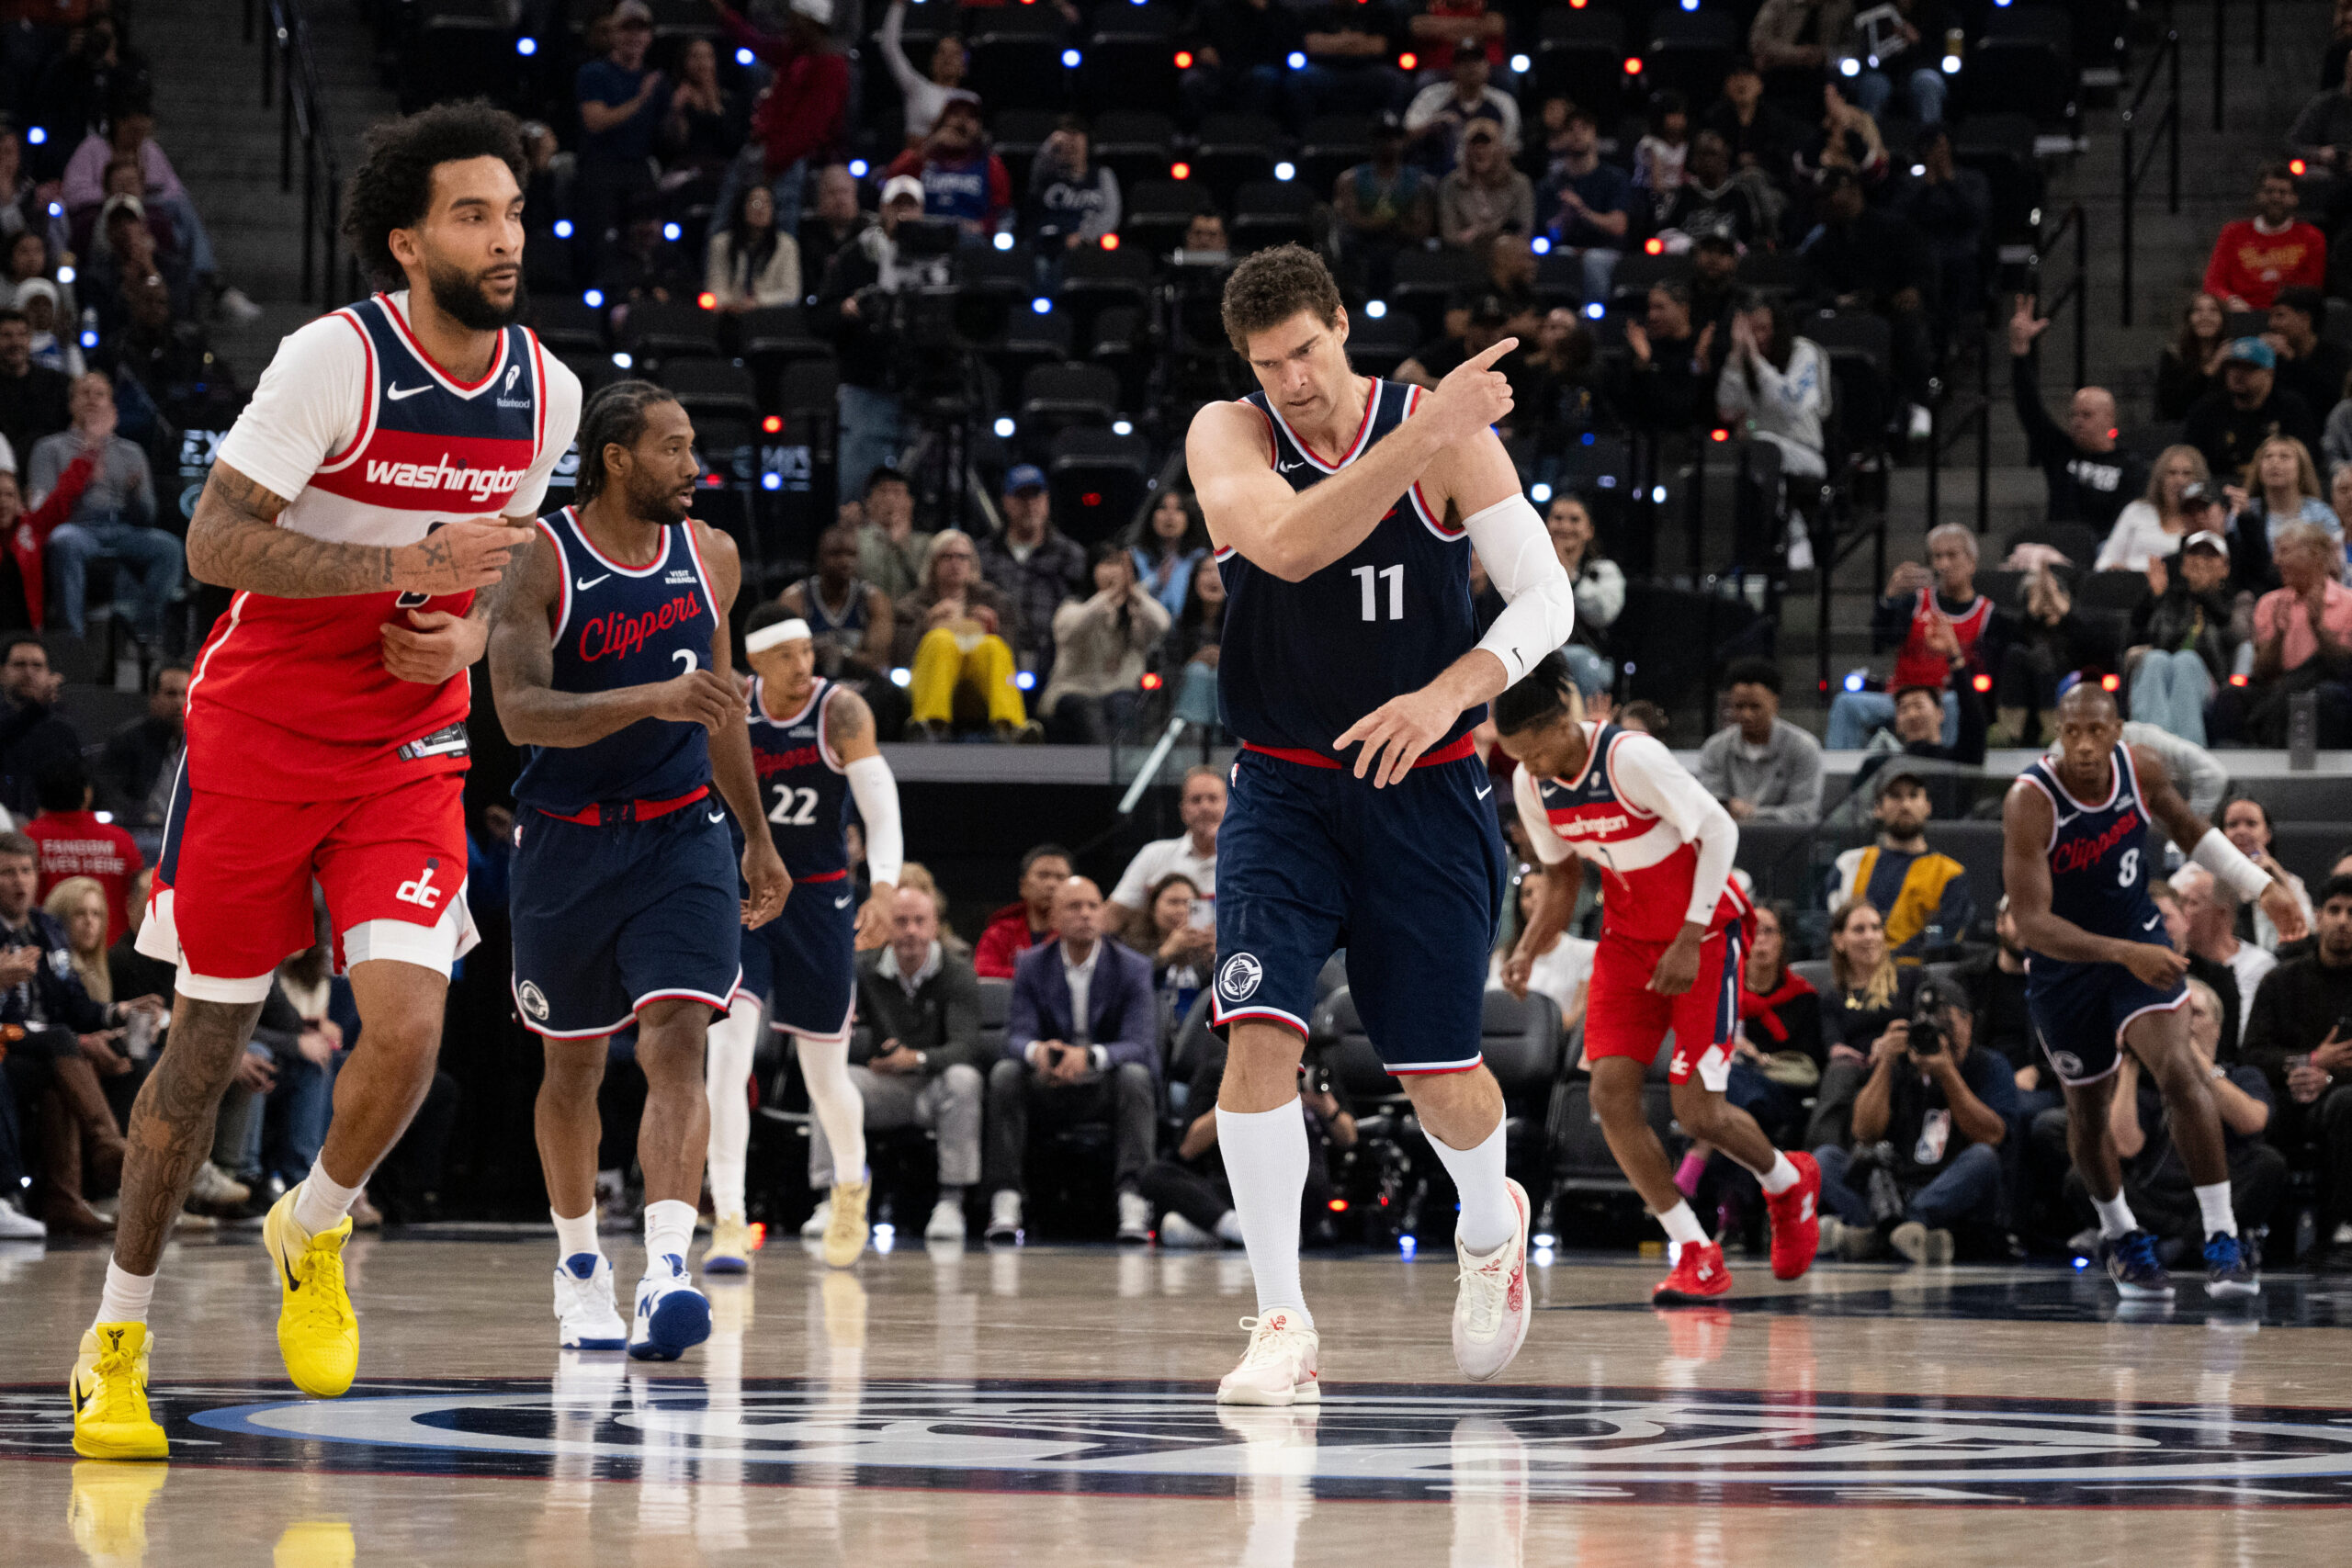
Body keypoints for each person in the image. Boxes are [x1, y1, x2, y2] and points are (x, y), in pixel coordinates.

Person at [69, 102, 584, 1462]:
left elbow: (504, 571)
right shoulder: (333, 361)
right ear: (408, 242)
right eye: (473, 214)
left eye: (515, 211)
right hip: (259, 735)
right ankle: (116, 1333)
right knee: (200, 1045)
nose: (505, 236)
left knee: (410, 1028)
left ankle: (318, 1217)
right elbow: (212, 539)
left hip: (411, 744)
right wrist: (388, 570)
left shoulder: (549, 390)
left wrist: (465, 628)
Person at [1184, 243, 1577, 1401]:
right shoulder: (1231, 433)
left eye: (1306, 352)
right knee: (1257, 1033)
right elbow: (1293, 543)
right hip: (1283, 785)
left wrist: (1456, 687)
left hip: (1429, 785)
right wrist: (1431, 429)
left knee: (1435, 1068)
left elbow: (1543, 596)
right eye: (1269, 364)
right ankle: (1281, 1325)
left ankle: (1486, 1221)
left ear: (1341, 325)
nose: (1292, 380)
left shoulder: (1444, 435)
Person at [488, 382, 783, 1360]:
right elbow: (520, 712)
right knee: (569, 1066)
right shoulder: (538, 555)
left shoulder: (712, 556)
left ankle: (666, 1269)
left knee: (677, 1040)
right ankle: (579, 1271)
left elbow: (722, 707)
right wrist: (650, 696)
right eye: (673, 446)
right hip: (566, 837)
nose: (692, 464)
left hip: (679, 832)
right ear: (616, 458)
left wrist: (757, 834)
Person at [1498, 651, 1821, 1302]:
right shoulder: (1534, 787)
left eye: (1532, 751)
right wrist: (1530, 945)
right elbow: (1562, 876)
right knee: (1609, 1095)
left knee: (1696, 1108)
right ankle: (1695, 1249)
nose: (1526, 769)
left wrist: (1691, 935)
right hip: (1625, 941)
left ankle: (1788, 1181)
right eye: (1515, 757)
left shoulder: (1630, 758)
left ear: (1565, 719)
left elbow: (1721, 830)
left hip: (1703, 935)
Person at [2001, 681, 2307, 1301]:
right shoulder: (2030, 799)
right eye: (2073, 732)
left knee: (2178, 1071)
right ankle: (2122, 1236)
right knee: (2086, 1112)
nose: (2085, 746)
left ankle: (2223, 1237)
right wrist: (2122, 952)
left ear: (2119, 733)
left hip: (2136, 939)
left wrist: (2259, 886)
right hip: (2066, 961)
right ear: (2058, 734)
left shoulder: (2140, 769)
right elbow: (2032, 923)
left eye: (2097, 732)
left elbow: (2194, 829)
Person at [715, 604, 904, 1271]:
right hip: (748, 903)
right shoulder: (731, 702)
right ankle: (730, 1216)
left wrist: (883, 887)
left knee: (824, 1074)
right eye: (788, 655)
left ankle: (851, 1187)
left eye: (807, 651)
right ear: (756, 662)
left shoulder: (840, 710)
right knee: (727, 1061)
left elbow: (882, 810)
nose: (804, 665)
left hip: (820, 900)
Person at [804, 884, 985, 1245]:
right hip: (880, 1083)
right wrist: (880, 1054)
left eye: (920, 921)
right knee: (829, 1083)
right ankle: (831, 1199)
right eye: (901, 921)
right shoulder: (861, 969)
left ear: (935, 926)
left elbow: (966, 1048)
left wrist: (915, 1058)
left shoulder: (957, 971)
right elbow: (838, 1040)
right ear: (887, 926)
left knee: (965, 1079)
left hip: (934, 1086)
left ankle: (951, 1202)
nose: (911, 931)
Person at [987, 875, 1159, 1244]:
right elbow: (1016, 1037)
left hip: (1104, 1082)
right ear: (1054, 919)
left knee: (1136, 1075)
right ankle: (1006, 1199)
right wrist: (1042, 1055)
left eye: (1093, 906)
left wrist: (1090, 1057)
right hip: (1048, 1083)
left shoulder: (1132, 967)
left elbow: (1140, 1043)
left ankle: (1133, 1197)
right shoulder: (1032, 964)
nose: (1085, 914)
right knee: (1005, 1074)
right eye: (1074, 906)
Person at [1814, 978, 2014, 1265]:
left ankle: (1878, 1236)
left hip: (1949, 1190)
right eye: (1927, 1028)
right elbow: (1864, 1132)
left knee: (1983, 1159)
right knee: (1825, 1160)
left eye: (1947, 1026)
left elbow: (1992, 1135)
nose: (1936, 1038)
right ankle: (1905, 1236)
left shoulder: (1990, 1066)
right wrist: (1884, 1064)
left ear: (1969, 1023)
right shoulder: (1902, 1065)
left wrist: (1947, 1073)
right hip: (1895, 1185)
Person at [2095, 976, 2286, 1260]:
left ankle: (2173, 1244)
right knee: (2084, 1176)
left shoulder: (2241, 1075)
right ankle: (2193, 1242)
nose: (2181, 1023)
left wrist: (2195, 1058)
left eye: (2193, 1013)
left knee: (2268, 1164)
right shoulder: (2146, 1083)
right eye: (2172, 1016)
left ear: (2217, 1028)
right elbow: (2124, 1147)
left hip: (2223, 1190)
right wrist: (2130, 1066)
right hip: (2158, 1196)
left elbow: (2252, 1122)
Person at [2237, 874, 2352, 1260]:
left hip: (2342, 1095)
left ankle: (2340, 1228)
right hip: (2286, 1093)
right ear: (2318, 916)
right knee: (2257, 1112)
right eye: (2334, 911)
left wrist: (2331, 1074)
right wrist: (2311, 1062)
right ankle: (2257, 1232)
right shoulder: (2281, 980)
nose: (2343, 921)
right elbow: (2252, 1054)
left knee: (2346, 1105)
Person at [31, 370, 176, 646]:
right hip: (76, 526)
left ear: (112, 406)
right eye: (84, 393)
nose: (92, 400)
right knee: (65, 542)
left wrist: (135, 496)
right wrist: (86, 459)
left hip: (121, 527)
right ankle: (72, 640)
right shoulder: (49, 448)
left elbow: (148, 517)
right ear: (71, 404)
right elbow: (43, 515)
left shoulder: (131, 452)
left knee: (168, 548)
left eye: (100, 394)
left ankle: (143, 631)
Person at [1826, 525, 1994, 749]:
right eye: (1937, 556)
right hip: (1899, 697)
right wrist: (1889, 601)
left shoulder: (1988, 614)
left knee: (1957, 705)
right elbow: (1884, 640)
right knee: (1845, 703)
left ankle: (1948, 775)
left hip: (1945, 698)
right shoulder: (1913, 603)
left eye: (1951, 555)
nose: (1943, 564)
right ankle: (1843, 778)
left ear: (1972, 562)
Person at [711, 0, 849, 244]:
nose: (788, 25)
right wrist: (726, 15)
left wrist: (772, 164)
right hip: (759, 150)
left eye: (795, 20)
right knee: (723, 228)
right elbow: (760, 45)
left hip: (783, 164)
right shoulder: (795, 54)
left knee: (779, 237)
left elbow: (809, 129)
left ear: (810, 24)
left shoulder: (830, 66)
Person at [2007, 295, 2147, 536]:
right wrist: (2020, 353)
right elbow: (2030, 410)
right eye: (2074, 415)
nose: (2077, 421)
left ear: (2109, 420)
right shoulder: (2060, 453)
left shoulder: (2131, 467)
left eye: (2087, 415)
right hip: (2059, 548)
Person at [897, 526, 1033, 741]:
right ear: (933, 564)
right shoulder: (911, 606)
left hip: (977, 692)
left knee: (993, 646)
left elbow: (1012, 658)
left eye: (962, 557)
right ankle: (930, 726)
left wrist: (993, 630)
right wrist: (926, 625)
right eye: (947, 556)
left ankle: (1010, 728)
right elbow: (900, 659)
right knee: (940, 639)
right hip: (927, 687)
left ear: (973, 564)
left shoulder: (996, 602)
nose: (955, 563)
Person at [1831, 767, 1976, 964]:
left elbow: (1948, 939)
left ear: (1928, 806)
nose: (1905, 804)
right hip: (1852, 974)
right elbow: (1821, 925)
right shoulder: (1849, 863)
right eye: (1895, 796)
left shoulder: (1950, 874)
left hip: (1914, 978)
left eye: (1913, 795)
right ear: (1878, 808)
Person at [571, 0, 667, 279]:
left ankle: (648, 288)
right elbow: (596, 121)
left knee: (653, 224)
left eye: (641, 30)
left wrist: (678, 111)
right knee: (604, 234)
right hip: (601, 165)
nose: (634, 36)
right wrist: (641, 99)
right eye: (627, 29)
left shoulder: (654, 80)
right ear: (614, 34)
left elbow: (671, 135)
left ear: (649, 37)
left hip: (638, 166)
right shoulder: (593, 73)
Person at [1039, 543, 1169, 743]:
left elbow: (1163, 624)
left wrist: (1134, 592)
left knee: (1123, 704)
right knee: (1087, 708)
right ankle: (1104, 768)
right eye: (1107, 563)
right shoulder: (1073, 606)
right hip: (1073, 689)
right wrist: (1109, 595)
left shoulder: (1135, 613)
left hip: (1120, 689)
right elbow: (1071, 628)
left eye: (1119, 564)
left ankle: (1120, 767)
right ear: (1092, 569)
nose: (1114, 571)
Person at [2243, 521, 2352, 747]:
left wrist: (2319, 629)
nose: (2276, 561)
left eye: (2284, 551)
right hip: (2276, 689)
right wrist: (2279, 635)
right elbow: (2261, 671)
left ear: (2313, 554)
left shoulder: (2348, 603)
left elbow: (2343, 667)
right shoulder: (2270, 603)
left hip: (2328, 690)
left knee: (2321, 695)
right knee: (2231, 697)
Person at [2128, 531, 2239, 747]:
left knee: (2186, 661)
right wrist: (2157, 600)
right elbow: (2149, 640)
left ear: (2225, 567)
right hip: (2165, 675)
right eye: (2194, 555)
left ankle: (2188, 752)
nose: (2200, 562)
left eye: (2209, 557)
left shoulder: (2235, 600)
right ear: (2183, 565)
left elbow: (2232, 637)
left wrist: (2204, 594)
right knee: (2155, 660)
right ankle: (2149, 750)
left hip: (2212, 683)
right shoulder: (2171, 599)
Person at [978, 465, 1087, 685]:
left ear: (1046, 500)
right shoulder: (983, 554)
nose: (1030, 505)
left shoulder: (1070, 555)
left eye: (1036, 496)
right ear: (1006, 503)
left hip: (1055, 663)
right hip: (995, 659)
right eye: (1021, 497)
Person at [1716, 296, 1832, 489]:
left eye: (1763, 329)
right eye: (1751, 331)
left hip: (1804, 453)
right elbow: (1727, 411)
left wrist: (1755, 360)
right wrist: (1736, 357)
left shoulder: (1804, 352)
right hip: (1756, 455)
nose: (1758, 338)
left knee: (1764, 447)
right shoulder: (1742, 362)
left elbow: (1788, 406)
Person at [25, 754, 141, 945]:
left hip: (49, 954)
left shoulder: (29, 839)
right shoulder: (121, 840)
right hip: (112, 957)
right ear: (87, 793)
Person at [1695, 658, 1826, 824]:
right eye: (1739, 706)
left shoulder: (1803, 747)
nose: (1746, 715)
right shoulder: (1715, 748)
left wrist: (1750, 813)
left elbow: (1805, 812)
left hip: (1788, 843)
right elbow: (1709, 805)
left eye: (1755, 707)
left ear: (1775, 703)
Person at [1107, 765, 1226, 942]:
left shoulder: (1248, 861)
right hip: (1160, 962)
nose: (1205, 807)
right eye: (1196, 800)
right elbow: (1112, 917)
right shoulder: (1153, 855)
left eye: (1213, 799)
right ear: (1183, 810)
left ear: (1229, 806)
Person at [2183, 337, 2322, 487]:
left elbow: (2308, 460)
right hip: (2219, 492)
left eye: (2249, 368)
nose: (2238, 374)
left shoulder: (2291, 408)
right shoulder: (2206, 410)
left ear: (2269, 373)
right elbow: (2191, 461)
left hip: (2276, 491)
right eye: (2233, 366)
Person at [0, 428, 100, 634]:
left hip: (26, 633)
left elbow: (61, 497)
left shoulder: (32, 526)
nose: (3, 501)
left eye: (9, 495)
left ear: (19, 499)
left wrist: (87, 458)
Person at [781, 521, 898, 695]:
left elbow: (878, 663)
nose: (845, 561)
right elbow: (785, 659)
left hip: (861, 690)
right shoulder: (795, 598)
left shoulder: (873, 599)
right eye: (836, 554)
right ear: (820, 558)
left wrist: (839, 654)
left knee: (889, 692)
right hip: (809, 688)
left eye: (851, 554)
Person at [2171, 863, 2276, 1049]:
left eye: (2191, 903)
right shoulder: (2172, 964)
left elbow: (2246, 1038)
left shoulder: (2260, 966)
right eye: (2178, 904)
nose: (2181, 913)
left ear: (2222, 912)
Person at [1332, 114, 1433, 297]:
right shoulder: (1350, 180)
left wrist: (1378, 221)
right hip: (1361, 249)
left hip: (1402, 251)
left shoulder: (1420, 182)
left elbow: (1421, 229)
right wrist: (1395, 220)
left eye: (1393, 137)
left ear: (1403, 141)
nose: (1388, 143)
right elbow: (1352, 220)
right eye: (1382, 138)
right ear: (1372, 141)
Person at [1536, 108, 1631, 301]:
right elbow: (1551, 233)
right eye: (1571, 129)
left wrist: (1582, 211)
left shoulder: (1614, 178)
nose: (1578, 133)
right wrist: (1565, 214)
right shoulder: (1550, 183)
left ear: (1594, 133)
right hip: (1567, 250)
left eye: (1584, 128)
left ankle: (1595, 319)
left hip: (1605, 252)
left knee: (1593, 260)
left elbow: (1618, 226)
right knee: (1561, 255)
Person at [2204, 164, 2326, 312]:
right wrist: (2230, 300)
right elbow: (2213, 283)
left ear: (2295, 198)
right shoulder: (2233, 233)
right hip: (2242, 314)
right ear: (2258, 195)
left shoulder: (2312, 237)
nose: (2275, 198)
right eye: (2269, 191)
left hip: (2290, 317)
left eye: (2283, 192)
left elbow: (2311, 288)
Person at [2225, 434, 2341, 592]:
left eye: (2284, 457)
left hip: (2312, 589)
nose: (2275, 462)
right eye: (2268, 457)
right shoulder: (2243, 512)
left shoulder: (2320, 513)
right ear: (2259, 468)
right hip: (2258, 592)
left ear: (2301, 468)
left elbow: (2333, 561)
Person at [1491, 868, 1594, 1043]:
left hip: (1554, 1053)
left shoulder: (1588, 953)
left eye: (1544, 891)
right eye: (1527, 893)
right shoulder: (1502, 957)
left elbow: (1580, 1019)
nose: (1535, 899)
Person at [886, 99, 1012, 241]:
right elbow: (892, 181)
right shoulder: (924, 158)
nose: (962, 122)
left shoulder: (991, 164)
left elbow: (1002, 211)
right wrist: (930, 145)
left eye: (971, 117)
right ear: (943, 122)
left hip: (968, 239)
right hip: (923, 232)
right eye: (956, 115)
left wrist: (985, 227)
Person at [1404, 41, 1520, 175]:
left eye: (1476, 61)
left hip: (1488, 174)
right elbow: (1408, 133)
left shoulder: (1503, 101)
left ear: (1487, 67)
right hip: (1440, 171)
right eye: (1463, 62)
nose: (1470, 67)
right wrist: (1435, 124)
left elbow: (1512, 147)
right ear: (1452, 68)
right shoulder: (1431, 96)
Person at [877, 0, 978, 147]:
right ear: (932, 62)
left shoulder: (970, 100)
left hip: (957, 165)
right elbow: (889, 47)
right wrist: (898, 5)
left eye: (955, 54)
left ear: (965, 67)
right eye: (942, 53)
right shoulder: (917, 87)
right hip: (919, 163)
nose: (947, 59)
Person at [2097, 446, 2213, 572]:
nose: (2179, 480)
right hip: (2128, 583)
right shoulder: (2136, 511)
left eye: (2187, 473)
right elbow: (2105, 560)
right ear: (2160, 479)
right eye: (2172, 473)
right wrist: (2113, 570)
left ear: (2198, 481)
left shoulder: (2203, 522)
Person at [97, 662, 187, 824]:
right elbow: (110, 795)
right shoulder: (127, 741)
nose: (180, 702)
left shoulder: (208, 744)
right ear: (153, 698)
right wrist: (142, 816)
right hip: (143, 833)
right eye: (171, 694)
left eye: (186, 694)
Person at [0, 633, 77, 820]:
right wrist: (37, 707)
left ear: (49, 673)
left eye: (37, 666)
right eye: (19, 665)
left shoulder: (62, 729)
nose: (29, 672)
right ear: (2, 673)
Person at [976, 843, 1071, 979]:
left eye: (1060, 877)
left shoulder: (1079, 935)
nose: (1052, 884)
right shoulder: (998, 934)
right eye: (1043, 875)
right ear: (1023, 886)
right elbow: (982, 972)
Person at [1024, 118, 1121, 252]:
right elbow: (1033, 200)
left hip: (1089, 246)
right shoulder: (1047, 175)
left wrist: (1083, 236)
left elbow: (1111, 214)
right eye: (1066, 139)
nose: (1070, 145)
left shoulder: (1102, 174)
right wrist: (1049, 146)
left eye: (1075, 137)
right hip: (1049, 246)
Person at [703, 183, 799, 312]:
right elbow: (715, 287)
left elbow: (791, 293)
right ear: (742, 207)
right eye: (755, 203)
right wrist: (732, 304)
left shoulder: (787, 245)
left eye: (766, 203)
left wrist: (757, 301)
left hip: (771, 317)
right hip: (728, 314)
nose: (760, 209)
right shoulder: (720, 243)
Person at [0, 308, 72, 477]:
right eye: (6, 336)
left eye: (22, 334)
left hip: (52, 472)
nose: (15, 342)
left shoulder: (58, 384)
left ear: (30, 339)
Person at [1143, 872, 1217, 1023]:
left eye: (1189, 903)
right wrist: (1166, 952)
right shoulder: (1135, 948)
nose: (1182, 910)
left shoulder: (1207, 950)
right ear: (1153, 908)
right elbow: (1130, 984)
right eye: (1173, 902)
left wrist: (1214, 958)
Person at [853, 466, 933, 604]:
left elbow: (931, 587)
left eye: (897, 492)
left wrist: (902, 547)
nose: (890, 499)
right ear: (868, 502)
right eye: (883, 492)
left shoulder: (927, 543)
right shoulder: (854, 539)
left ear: (910, 502)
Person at [2267, 286, 2347, 417]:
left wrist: (2292, 360)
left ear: (2305, 319)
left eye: (2280, 316)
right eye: (2270, 317)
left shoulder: (2337, 357)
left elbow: (2330, 398)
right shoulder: (2273, 358)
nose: (2272, 324)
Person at [1131, 488, 1211, 620]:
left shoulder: (1201, 560)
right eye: (1163, 508)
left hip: (1187, 632)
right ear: (1151, 516)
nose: (1170, 516)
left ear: (1188, 518)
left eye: (1179, 509)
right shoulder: (1135, 557)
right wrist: (1156, 582)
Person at [2160, 292, 2231, 421]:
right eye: (2198, 311)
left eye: (2213, 310)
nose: (2205, 317)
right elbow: (2171, 406)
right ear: (2189, 318)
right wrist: (2210, 370)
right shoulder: (2174, 356)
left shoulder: (2232, 356)